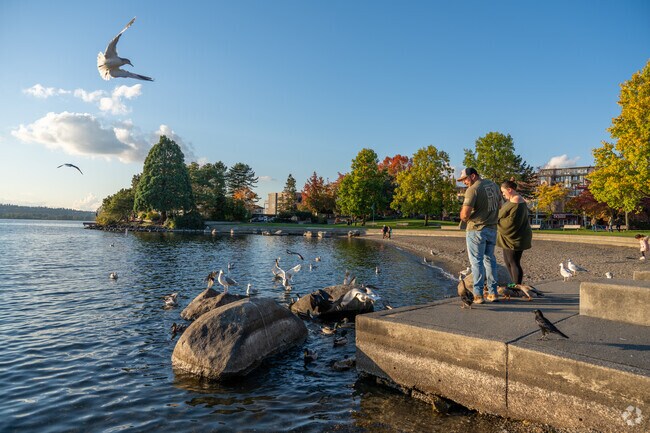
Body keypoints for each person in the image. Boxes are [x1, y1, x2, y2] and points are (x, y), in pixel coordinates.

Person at [458, 167, 502, 303]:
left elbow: (465, 215)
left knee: (476, 262)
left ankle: (478, 294)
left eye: (465, 179)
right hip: (492, 228)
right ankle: (493, 293)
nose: (464, 182)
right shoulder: (494, 185)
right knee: (490, 260)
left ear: (472, 176)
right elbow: (500, 205)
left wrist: (464, 216)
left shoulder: (473, 190)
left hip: (476, 229)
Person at [497, 180, 532, 286]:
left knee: (514, 262)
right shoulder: (512, 201)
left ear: (509, 190)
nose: (502, 194)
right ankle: (513, 285)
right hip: (509, 238)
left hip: (515, 238)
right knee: (508, 262)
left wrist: (496, 221)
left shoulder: (517, 202)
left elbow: (511, 223)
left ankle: (516, 286)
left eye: (503, 192)